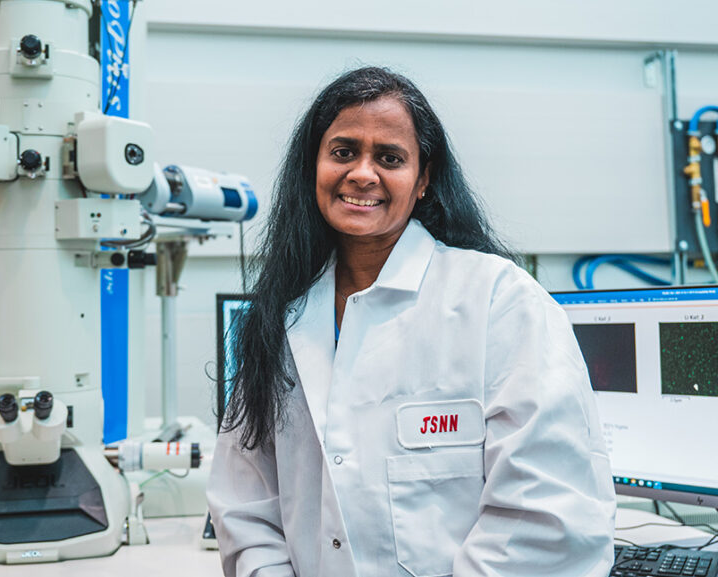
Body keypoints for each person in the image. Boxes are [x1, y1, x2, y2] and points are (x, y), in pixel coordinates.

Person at [207, 67, 616, 577]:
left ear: (422, 180)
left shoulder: (500, 302)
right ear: (313, 167)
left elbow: (549, 513)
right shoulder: (281, 318)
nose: (362, 173)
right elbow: (246, 503)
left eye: (390, 158)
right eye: (342, 152)